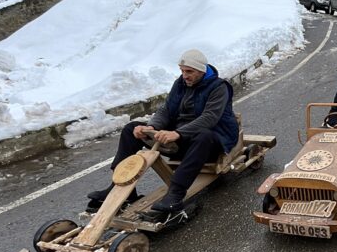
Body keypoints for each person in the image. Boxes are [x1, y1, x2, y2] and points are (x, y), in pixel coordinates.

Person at [87, 49, 239, 213]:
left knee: (204, 135)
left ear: (202, 70)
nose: (185, 75)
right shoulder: (181, 83)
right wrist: (151, 127)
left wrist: (178, 133)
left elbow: (210, 118)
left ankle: (176, 193)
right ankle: (120, 187)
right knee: (131, 129)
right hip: (181, 139)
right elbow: (167, 110)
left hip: (213, 141)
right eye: (182, 71)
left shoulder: (219, 87)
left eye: (189, 71)